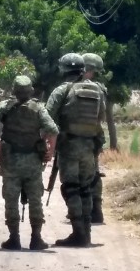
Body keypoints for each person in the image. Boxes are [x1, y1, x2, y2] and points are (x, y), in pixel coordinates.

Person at [0, 76, 58, 250]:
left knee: (11, 200)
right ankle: (36, 238)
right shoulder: (39, 109)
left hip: (11, 162)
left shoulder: (6, 106)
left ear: (14, 91)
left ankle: (14, 238)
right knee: (35, 199)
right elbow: (53, 130)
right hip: (33, 162)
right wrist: (50, 151)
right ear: (30, 90)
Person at [45, 53, 106, 247]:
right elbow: (100, 118)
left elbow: (47, 119)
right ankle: (86, 233)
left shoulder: (61, 90)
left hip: (69, 146)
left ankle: (78, 233)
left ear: (63, 69)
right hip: (89, 147)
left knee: (70, 188)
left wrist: (47, 145)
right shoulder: (97, 90)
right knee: (86, 188)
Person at [82, 53, 108, 224]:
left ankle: (85, 210)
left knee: (82, 174)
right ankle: (95, 209)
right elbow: (102, 115)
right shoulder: (100, 88)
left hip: (81, 137)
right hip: (94, 136)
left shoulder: (84, 87)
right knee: (94, 172)